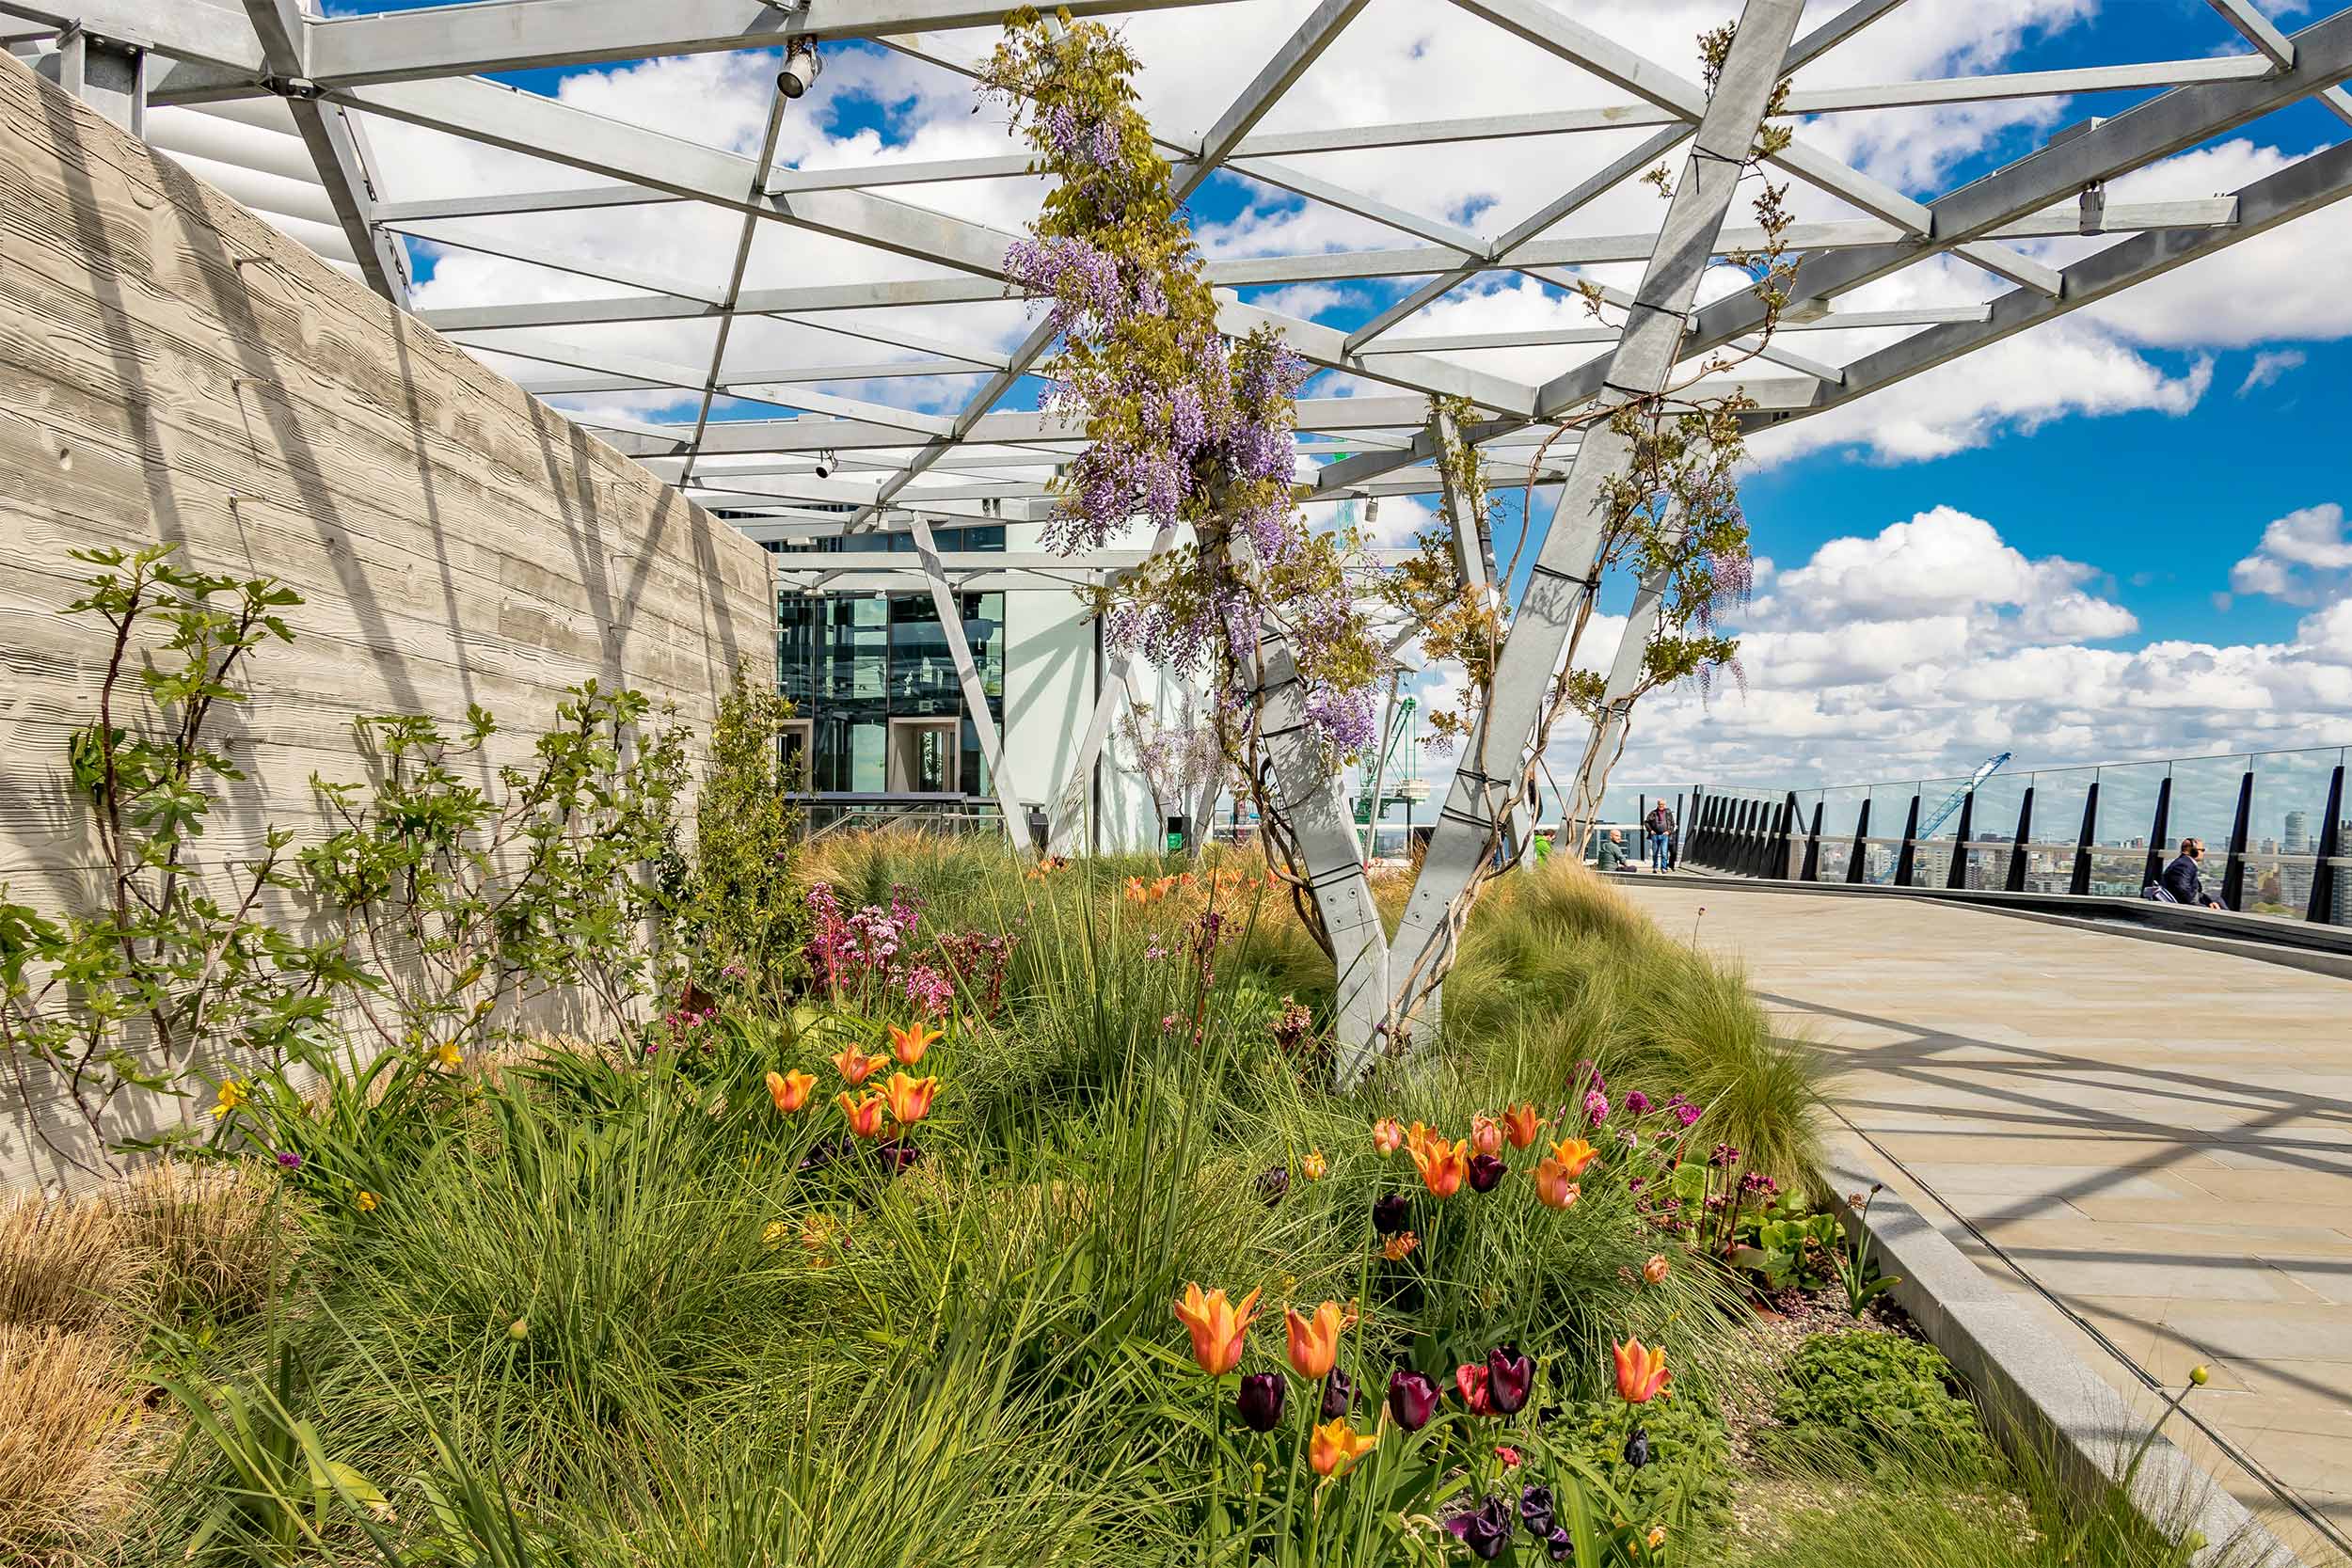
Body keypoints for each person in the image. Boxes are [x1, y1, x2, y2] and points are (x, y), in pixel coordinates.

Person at [2160, 837, 2226, 910]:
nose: (2203, 853)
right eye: (2202, 850)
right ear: (2193, 851)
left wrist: (2209, 901)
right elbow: (2183, 891)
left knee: (2216, 899)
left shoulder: (2185, 862)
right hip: (2185, 905)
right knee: (2218, 904)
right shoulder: (2184, 865)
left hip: (2192, 899)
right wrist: (2204, 907)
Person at [1645, 801, 1676, 873]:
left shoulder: (1668, 813)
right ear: (1658, 804)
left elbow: (1672, 824)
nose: (1661, 806)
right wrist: (1650, 830)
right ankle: (1655, 867)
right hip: (1655, 835)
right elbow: (1646, 822)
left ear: (1664, 805)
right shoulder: (1653, 813)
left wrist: (1668, 831)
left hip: (1664, 835)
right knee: (1655, 853)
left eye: (1662, 804)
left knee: (1664, 853)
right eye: (1660, 804)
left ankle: (1664, 868)